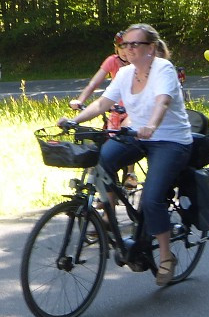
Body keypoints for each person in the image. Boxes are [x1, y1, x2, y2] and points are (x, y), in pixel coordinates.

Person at [58, 23, 193, 287]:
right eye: (125, 45)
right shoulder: (125, 73)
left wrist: (152, 125)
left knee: (152, 198)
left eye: (135, 44)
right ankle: (109, 215)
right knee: (103, 159)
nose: (128, 49)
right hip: (135, 134)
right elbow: (102, 103)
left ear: (151, 48)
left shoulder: (163, 68)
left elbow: (162, 101)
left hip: (170, 139)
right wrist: (75, 120)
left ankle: (166, 257)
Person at [70, 32, 130, 130]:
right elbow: (94, 83)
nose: (124, 51)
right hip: (116, 108)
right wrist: (80, 101)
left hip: (134, 110)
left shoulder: (138, 64)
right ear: (116, 48)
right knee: (110, 137)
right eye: (120, 47)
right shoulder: (112, 61)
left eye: (127, 47)